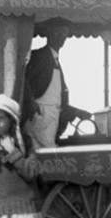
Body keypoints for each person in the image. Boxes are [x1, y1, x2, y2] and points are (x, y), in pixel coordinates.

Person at [22, 18, 91, 148]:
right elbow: (23, 79)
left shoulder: (55, 60)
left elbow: (59, 101)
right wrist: (31, 103)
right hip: (40, 117)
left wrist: (76, 112)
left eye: (64, 33)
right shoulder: (40, 56)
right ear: (49, 34)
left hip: (52, 117)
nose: (61, 37)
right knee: (40, 155)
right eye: (57, 32)